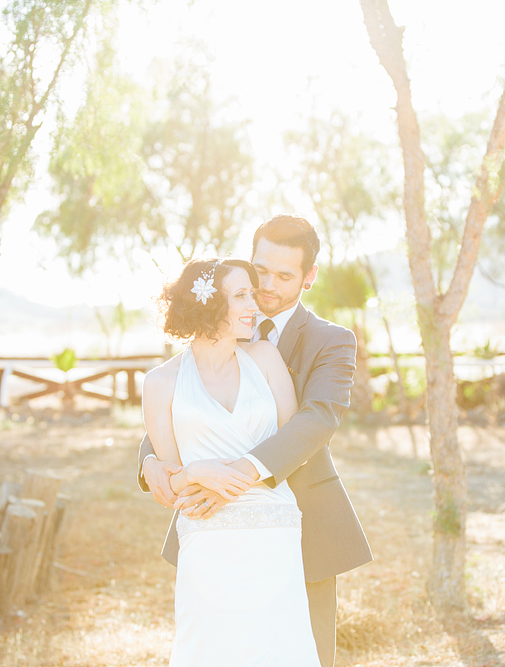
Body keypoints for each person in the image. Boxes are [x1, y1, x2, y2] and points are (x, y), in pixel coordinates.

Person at [139, 215, 373, 667]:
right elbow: (177, 408)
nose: (266, 285)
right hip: (210, 524)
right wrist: (152, 462)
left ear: (309, 277)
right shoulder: (215, 322)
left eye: (284, 276)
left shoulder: (331, 341)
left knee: (302, 653)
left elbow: (316, 420)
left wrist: (234, 474)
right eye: (259, 270)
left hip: (297, 522)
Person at [142, 257, 320, 665]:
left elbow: (291, 445)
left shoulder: (264, 359)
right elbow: (169, 485)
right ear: (208, 303)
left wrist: (233, 477)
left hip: (274, 530)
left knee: (279, 648)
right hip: (206, 535)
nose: (253, 305)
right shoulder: (161, 383)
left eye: (251, 294)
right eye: (241, 295)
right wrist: (194, 472)